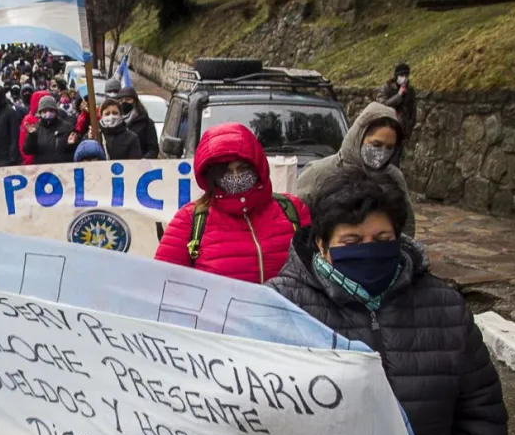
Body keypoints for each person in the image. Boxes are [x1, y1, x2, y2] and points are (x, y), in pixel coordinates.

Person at [267, 169, 507, 435]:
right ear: (321, 244)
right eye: (352, 241)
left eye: (382, 238)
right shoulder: (277, 310)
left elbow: (482, 417)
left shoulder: (445, 309)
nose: (369, 249)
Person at [155, 123, 310, 283]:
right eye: (226, 171)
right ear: (212, 176)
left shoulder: (292, 210)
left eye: (243, 168)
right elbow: (162, 284)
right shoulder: (188, 220)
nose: (236, 176)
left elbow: (317, 272)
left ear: (258, 166)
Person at [297, 102, 416, 237]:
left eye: (389, 148)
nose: (382, 152)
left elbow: (406, 225)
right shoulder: (318, 173)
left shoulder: (393, 177)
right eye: (376, 144)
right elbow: (295, 218)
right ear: (358, 137)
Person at [377, 61, 417, 163]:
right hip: (387, 130)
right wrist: (399, 95)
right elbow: (382, 105)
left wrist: (409, 127)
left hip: (401, 133)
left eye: (406, 75)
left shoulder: (410, 90)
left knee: (396, 160)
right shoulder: (387, 88)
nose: (404, 78)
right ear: (396, 76)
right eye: (402, 75)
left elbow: (412, 110)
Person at [22, 95, 80, 165]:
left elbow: (76, 149)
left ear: (56, 111)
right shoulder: (36, 128)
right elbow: (27, 151)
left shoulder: (67, 127)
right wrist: (31, 136)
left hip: (63, 168)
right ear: (40, 112)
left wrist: (71, 144)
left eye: (51, 110)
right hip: (43, 169)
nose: (48, 113)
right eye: (44, 111)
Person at [116, 87, 160, 159]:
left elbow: (153, 149)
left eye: (128, 99)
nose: (124, 102)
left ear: (135, 101)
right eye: (121, 100)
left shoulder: (146, 122)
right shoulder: (115, 122)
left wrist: (143, 161)